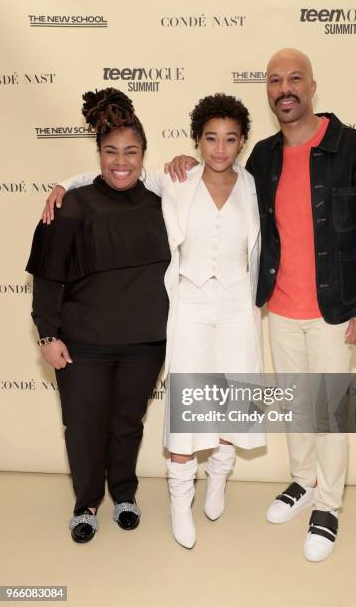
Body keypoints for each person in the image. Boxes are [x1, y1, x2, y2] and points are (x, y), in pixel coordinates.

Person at [164, 48, 356, 561]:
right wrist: (180, 162)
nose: (284, 87)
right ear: (267, 91)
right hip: (278, 308)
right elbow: (224, 197)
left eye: (295, 78)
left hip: (336, 308)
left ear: (313, 85)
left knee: (329, 412)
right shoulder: (263, 157)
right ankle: (302, 482)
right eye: (275, 80)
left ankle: (329, 506)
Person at [41, 93, 265, 549]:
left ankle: (217, 476)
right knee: (183, 406)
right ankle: (176, 503)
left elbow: (125, 169)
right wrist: (65, 183)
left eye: (229, 139)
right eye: (210, 138)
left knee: (232, 395)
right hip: (188, 310)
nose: (219, 148)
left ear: (242, 143)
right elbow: (117, 173)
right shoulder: (177, 181)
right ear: (197, 141)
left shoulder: (253, 184)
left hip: (235, 306)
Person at [26, 88, 170, 543]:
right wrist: (47, 334)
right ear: (99, 155)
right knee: (84, 426)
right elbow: (48, 278)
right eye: (111, 152)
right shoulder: (73, 205)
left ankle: (124, 494)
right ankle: (86, 503)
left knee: (127, 424)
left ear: (144, 154)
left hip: (145, 343)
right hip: (83, 342)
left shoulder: (165, 204)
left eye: (130, 151)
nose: (120, 161)